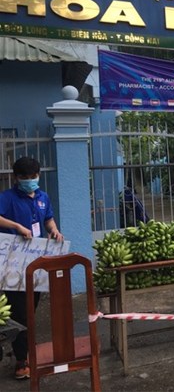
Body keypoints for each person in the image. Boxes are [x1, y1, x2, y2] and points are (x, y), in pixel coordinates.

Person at [0, 157, 64, 380]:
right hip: (14, 264)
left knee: (31, 307)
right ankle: (21, 360)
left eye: (33, 176)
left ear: (39, 175)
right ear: (16, 178)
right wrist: (17, 226)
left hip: (36, 263)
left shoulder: (42, 197)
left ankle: (25, 348)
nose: (30, 181)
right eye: (25, 177)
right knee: (18, 311)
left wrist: (54, 230)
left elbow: (48, 220)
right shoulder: (7, 198)